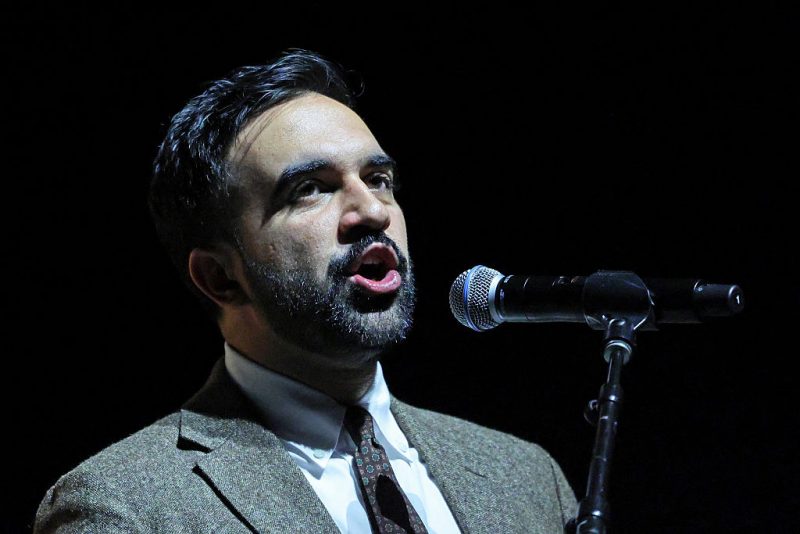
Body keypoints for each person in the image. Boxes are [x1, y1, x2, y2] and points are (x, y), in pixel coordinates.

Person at [34, 49, 577, 533]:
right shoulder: (124, 508)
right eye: (310, 189)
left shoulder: (528, 477)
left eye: (379, 179)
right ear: (220, 276)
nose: (372, 211)